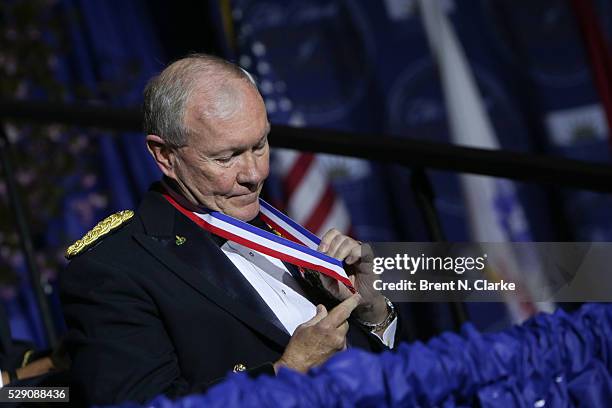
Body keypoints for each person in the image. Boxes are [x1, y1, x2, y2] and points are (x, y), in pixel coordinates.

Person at [61, 54, 401, 405]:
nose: (254, 174)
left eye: (260, 145)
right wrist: (286, 372)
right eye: (227, 157)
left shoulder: (278, 226)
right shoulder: (113, 269)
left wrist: (371, 311)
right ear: (164, 156)